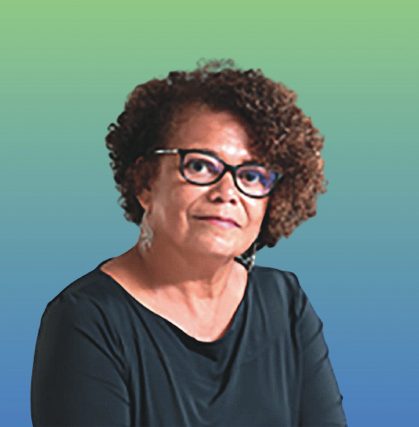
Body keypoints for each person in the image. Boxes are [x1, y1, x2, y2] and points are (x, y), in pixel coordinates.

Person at [31, 59, 348, 426]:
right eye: (200, 166)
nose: (227, 192)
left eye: (251, 175)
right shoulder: (86, 320)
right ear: (145, 182)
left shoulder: (285, 302)